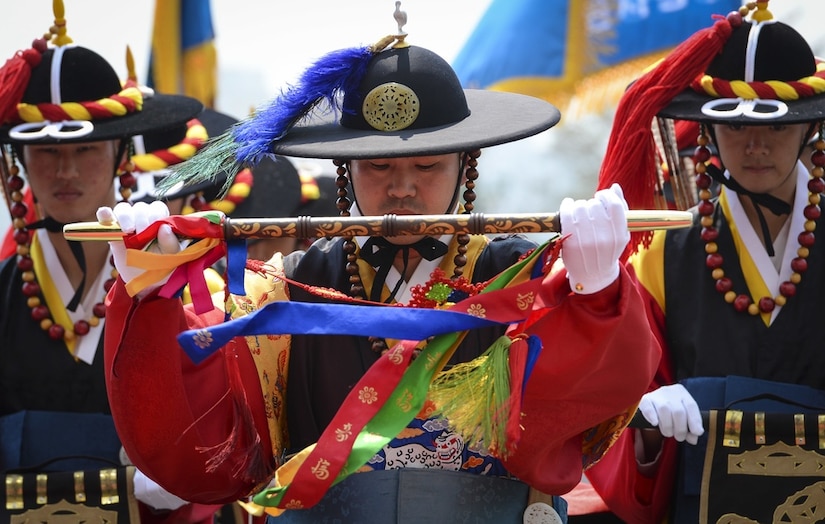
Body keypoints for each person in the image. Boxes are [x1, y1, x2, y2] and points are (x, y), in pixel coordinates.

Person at [96, 7, 660, 523]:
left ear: (468, 165)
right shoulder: (290, 283)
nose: (403, 188)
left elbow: (583, 408)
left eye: (427, 165)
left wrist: (596, 293)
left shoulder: (522, 276)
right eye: (379, 166)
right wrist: (153, 294)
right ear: (345, 171)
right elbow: (210, 415)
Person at [583, 2, 825, 522]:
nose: (755, 145)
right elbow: (626, 392)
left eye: (777, 129)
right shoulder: (663, 249)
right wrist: (646, 417)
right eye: (734, 129)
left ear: (811, 130)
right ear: (708, 134)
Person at [0, 3, 237, 523]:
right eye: (43, 153)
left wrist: (180, 465)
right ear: (16, 165)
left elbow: (221, 422)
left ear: (121, 155)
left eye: (86, 150)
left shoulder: (184, 285)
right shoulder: (3, 290)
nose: (66, 172)